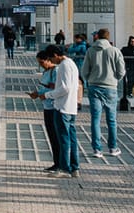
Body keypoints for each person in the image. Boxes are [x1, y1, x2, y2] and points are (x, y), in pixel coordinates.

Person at [33, 45, 81, 177]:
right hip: (71, 107)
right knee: (71, 139)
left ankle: (64, 168)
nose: (52, 62)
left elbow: (64, 88)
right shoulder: (72, 64)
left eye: (51, 58)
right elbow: (75, 86)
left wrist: (47, 95)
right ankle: (74, 167)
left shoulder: (64, 66)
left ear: (55, 55)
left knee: (63, 139)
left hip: (62, 107)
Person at [81, 28, 123, 157]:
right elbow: (121, 71)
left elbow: (84, 70)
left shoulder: (91, 50)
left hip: (94, 87)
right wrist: (114, 79)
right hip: (110, 87)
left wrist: (89, 80)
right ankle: (112, 147)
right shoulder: (115, 51)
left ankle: (97, 149)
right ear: (108, 38)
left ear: (97, 36)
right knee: (111, 120)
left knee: (95, 119)